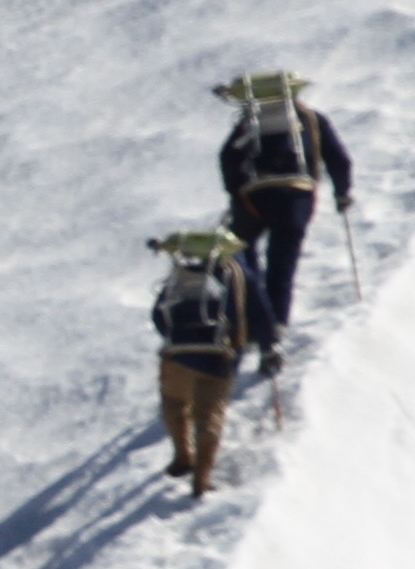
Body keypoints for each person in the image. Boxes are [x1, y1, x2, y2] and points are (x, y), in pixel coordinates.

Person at [213, 69, 355, 359]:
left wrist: (236, 194)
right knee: (283, 264)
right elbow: (339, 159)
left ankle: (251, 316)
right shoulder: (312, 120)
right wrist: (342, 193)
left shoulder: (249, 122)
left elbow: (228, 157)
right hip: (296, 198)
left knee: (244, 254)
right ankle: (275, 324)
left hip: (253, 199)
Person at [148, 228, 250, 497]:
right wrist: (269, 344)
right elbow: (257, 311)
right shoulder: (234, 272)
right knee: (209, 415)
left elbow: (159, 314)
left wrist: (178, 337)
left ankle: (183, 456)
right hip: (216, 357)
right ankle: (202, 480)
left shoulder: (180, 275)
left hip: (177, 353)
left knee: (174, 403)